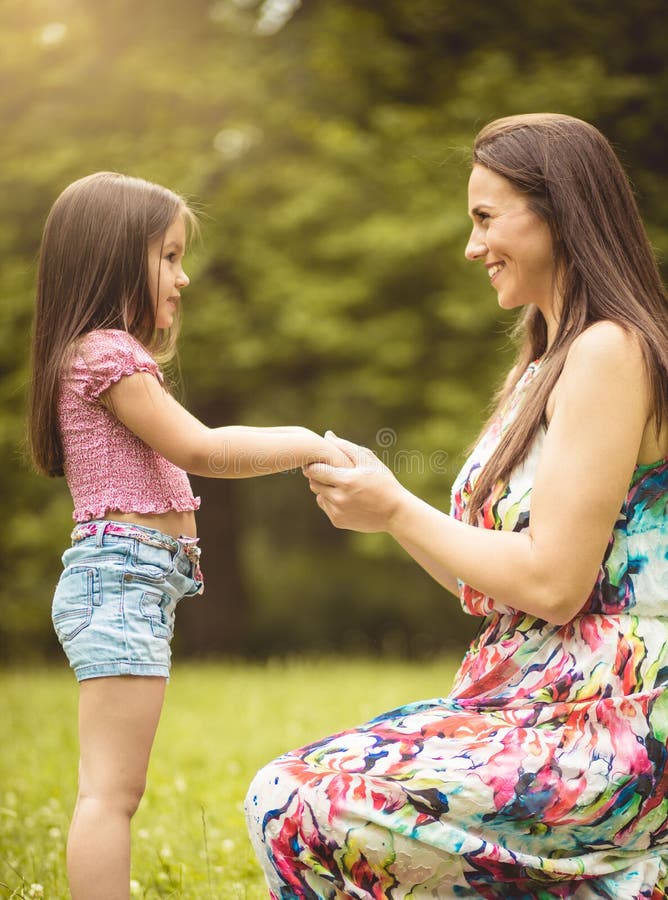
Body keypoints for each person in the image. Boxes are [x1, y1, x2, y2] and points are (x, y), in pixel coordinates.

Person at [245, 114, 668, 898]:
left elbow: (553, 584)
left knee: (297, 801)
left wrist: (399, 508)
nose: (472, 247)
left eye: (485, 217)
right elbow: (501, 592)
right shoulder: (541, 363)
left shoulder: (611, 349)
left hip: (614, 724)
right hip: (534, 696)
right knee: (294, 791)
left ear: (560, 210)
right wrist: (388, 510)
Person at [28, 172, 350, 900]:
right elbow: (201, 450)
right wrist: (306, 442)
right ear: (113, 258)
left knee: (115, 789)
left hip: (131, 579)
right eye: (168, 257)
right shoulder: (107, 355)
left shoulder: (99, 354)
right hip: (120, 578)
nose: (184, 275)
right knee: (109, 793)